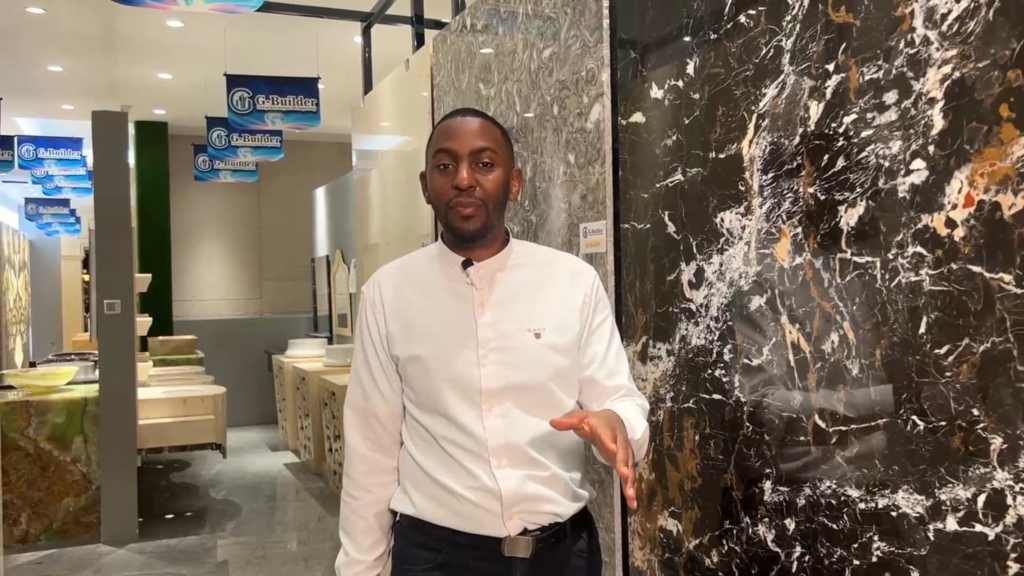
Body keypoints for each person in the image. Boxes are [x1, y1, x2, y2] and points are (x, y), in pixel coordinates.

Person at [335, 107, 650, 576]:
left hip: (563, 556)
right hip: (437, 559)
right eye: (445, 166)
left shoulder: (571, 282)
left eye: (484, 164)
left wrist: (616, 422)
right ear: (426, 186)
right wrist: (360, 568)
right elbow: (371, 447)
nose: (464, 179)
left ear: (514, 183)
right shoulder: (388, 293)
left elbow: (622, 402)